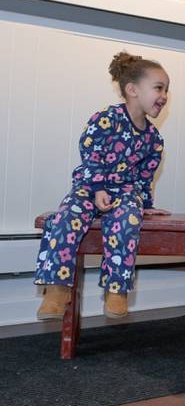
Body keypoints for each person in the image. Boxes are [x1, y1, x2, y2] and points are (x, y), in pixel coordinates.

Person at [34, 52, 169, 319]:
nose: (165, 95)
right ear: (132, 89)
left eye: (167, 89)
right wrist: (97, 188)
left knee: (129, 219)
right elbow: (89, 150)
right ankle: (56, 290)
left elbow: (144, 177)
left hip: (124, 193)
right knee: (64, 219)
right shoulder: (107, 119)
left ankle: (116, 291)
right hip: (90, 187)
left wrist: (146, 204)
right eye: (158, 88)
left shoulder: (154, 139)